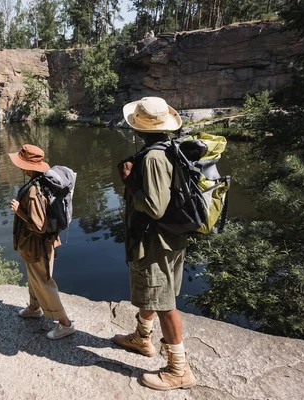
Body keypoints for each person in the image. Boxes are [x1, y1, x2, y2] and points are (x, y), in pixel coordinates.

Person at [112, 97, 196, 390]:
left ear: (137, 129)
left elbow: (154, 207)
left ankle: (178, 370)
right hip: (172, 238)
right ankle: (141, 338)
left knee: (164, 304)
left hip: (155, 242)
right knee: (159, 295)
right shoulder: (169, 149)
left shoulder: (152, 158)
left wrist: (129, 181)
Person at [8, 144, 75, 340]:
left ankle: (65, 324)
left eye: (21, 164)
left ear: (28, 166)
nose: (19, 167)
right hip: (32, 246)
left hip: (39, 246)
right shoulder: (37, 182)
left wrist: (19, 211)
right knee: (34, 277)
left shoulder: (33, 190)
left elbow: (39, 227)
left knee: (45, 282)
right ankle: (34, 307)